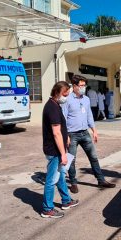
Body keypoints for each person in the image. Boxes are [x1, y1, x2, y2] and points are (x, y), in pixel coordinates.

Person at [62, 75, 116, 194]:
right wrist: (65, 136)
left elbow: (89, 116)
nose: (83, 87)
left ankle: (101, 180)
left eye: (84, 85)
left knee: (93, 157)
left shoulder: (86, 99)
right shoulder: (67, 100)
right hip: (72, 135)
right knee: (71, 160)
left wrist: (94, 131)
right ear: (74, 86)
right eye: (81, 85)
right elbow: (63, 119)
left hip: (85, 133)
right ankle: (73, 183)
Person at [41, 81, 79, 218]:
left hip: (58, 149)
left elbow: (61, 129)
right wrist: (63, 154)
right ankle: (47, 209)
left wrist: (66, 137)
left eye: (68, 94)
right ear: (57, 92)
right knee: (51, 180)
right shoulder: (52, 108)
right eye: (65, 94)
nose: (66, 97)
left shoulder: (56, 105)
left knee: (61, 176)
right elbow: (56, 132)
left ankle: (66, 201)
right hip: (54, 151)